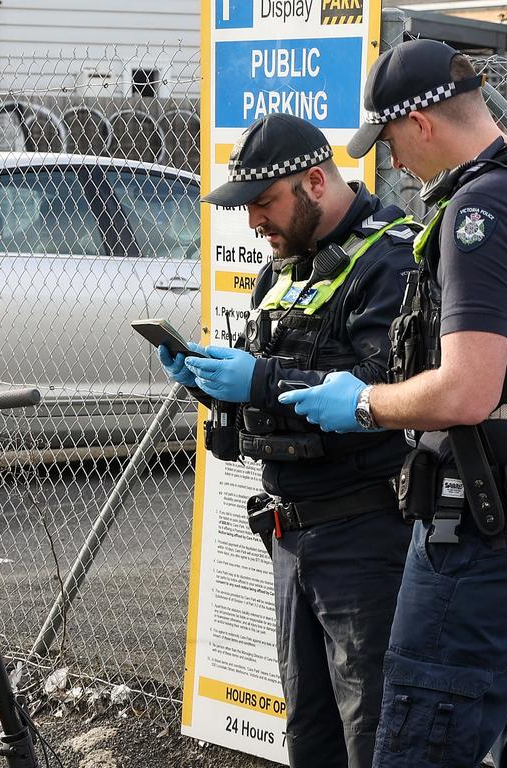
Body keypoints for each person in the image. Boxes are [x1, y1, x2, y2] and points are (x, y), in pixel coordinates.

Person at [281, 39, 507, 768]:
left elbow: (467, 389)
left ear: (422, 123)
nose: (394, 162)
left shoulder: (480, 211)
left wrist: (364, 402)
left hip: (486, 536)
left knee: (418, 742)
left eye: (392, 139)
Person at [159, 113, 418, 768]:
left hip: (366, 535)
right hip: (289, 534)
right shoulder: (283, 270)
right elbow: (270, 393)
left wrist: (262, 377)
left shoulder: (391, 257)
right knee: (311, 733)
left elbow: (383, 391)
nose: (253, 223)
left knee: (375, 733)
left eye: (264, 204)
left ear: (312, 182)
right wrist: (213, 383)